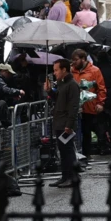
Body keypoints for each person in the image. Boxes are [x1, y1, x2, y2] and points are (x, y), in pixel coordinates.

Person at [45, 58, 80, 188]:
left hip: (65, 123)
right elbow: (58, 99)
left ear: (64, 70)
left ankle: (72, 177)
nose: (54, 73)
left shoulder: (72, 85)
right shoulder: (61, 83)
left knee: (68, 151)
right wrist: (49, 91)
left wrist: (69, 125)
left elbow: (73, 107)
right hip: (59, 121)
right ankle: (65, 176)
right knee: (63, 151)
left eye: (56, 70)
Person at [71, 49, 107, 160]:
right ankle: (76, 153)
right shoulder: (72, 70)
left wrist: (101, 103)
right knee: (75, 130)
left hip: (89, 106)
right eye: (73, 60)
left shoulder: (95, 71)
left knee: (87, 130)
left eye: (76, 60)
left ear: (83, 59)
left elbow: (101, 88)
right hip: (75, 106)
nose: (74, 62)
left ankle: (87, 153)